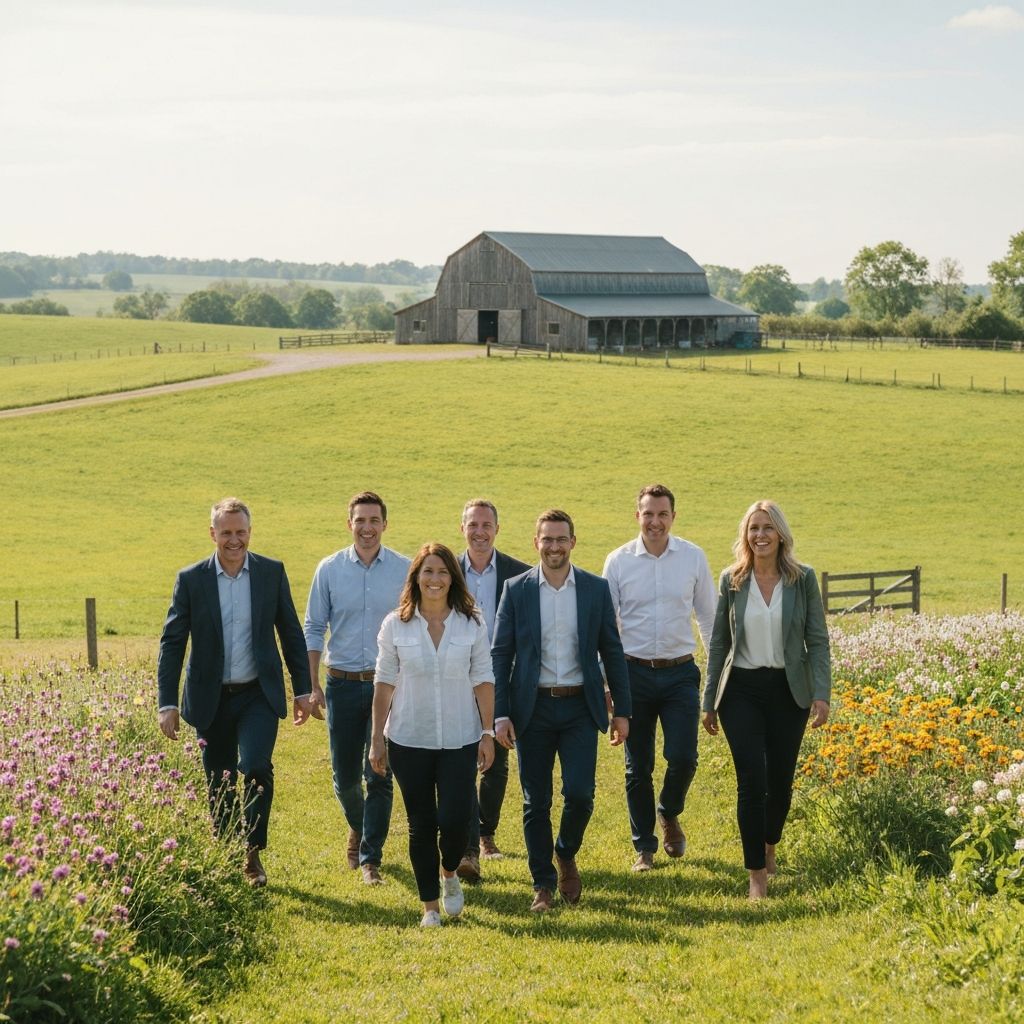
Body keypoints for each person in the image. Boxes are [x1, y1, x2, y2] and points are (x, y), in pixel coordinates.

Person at [157, 497, 319, 887]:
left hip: (257, 694)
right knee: (220, 780)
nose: (234, 540)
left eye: (240, 532)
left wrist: (302, 690)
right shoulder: (192, 579)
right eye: (226, 532)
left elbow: (291, 634)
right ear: (213, 534)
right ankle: (226, 849)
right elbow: (172, 642)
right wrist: (167, 703)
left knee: (256, 767)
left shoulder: (270, 573)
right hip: (210, 698)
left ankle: (251, 854)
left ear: (250, 532)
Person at [492, 509, 632, 912]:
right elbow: (501, 655)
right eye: (547, 539)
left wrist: (622, 710)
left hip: (578, 708)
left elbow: (613, 651)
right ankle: (543, 884)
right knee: (535, 801)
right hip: (531, 709)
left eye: (561, 539)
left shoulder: (594, 588)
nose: (554, 546)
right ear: (536, 543)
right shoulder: (516, 590)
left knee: (581, 795)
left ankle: (565, 850)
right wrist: (500, 713)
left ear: (573, 542)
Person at [701, 500, 831, 900]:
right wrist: (709, 700)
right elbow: (719, 642)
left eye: (767, 528)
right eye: (754, 528)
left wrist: (821, 694)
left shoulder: (802, 578)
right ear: (746, 534)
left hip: (788, 690)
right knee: (750, 781)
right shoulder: (732, 579)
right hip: (740, 690)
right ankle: (756, 874)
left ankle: (770, 842)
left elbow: (818, 640)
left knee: (780, 783)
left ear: (780, 534)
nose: (760, 535)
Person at [368, 543, 496, 927]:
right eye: (427, 572)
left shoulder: (471, 622)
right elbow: (384, 682)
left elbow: (483, 679)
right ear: (416, 578)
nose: (435, 579)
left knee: (456, 819)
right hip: (408, 739)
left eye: (442, 572)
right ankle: (429, 908)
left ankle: (450, 872)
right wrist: (377, 738)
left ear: (452, 578)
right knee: (421, 823)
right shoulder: (396, 624)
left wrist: (487, 733)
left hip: (460, 738)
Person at [603, 484, 716, 872]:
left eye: (662, 514)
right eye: (648, 514)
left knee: (684, 757)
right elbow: (607, 628)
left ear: (673, 517)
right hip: (632, 673)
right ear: (637, 516)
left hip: (680, 672)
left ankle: (669, 811)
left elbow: (708, 618)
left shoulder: (692, 557)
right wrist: (609, 683)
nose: (655, 522)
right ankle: (645, 848)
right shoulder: (617, 562)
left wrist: (716, 678)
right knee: (638, 766)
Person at [304, 491, 410, 885]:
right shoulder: (329, 570)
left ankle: (370, 858)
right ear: (349, 524)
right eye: (360, 520)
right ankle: (361, 825)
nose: (367, 528)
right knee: (345, 777)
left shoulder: (404, 569)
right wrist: (311, 684)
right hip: (342, 685)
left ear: (385, 524)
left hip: (388, 686)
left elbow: (413, 625)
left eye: (374, 520)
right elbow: (314, 627)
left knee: (378, 772)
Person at [455, 499, 531, 883]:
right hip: (456, 678)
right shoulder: (446, 570)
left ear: (497, 530)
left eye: (487, 525)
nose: (480, 532)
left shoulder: (519, 574)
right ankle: (469, 844)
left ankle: (485, 834)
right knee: (461, 759)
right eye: (473, 525)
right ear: (462, 528)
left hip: (502, 680)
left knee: (496, 761)